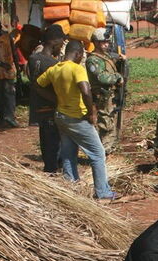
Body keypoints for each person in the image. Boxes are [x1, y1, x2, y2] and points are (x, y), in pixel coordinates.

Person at [35, 40, 116, 199]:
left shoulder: (54, 69)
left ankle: (71, 188)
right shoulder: (77, 69)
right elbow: (86, 91)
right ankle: (103, 192)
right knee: (97, 153)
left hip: (61, 116)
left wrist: (54, 99)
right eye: (82, 55)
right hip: (77, 118)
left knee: (68, 152)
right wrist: (91, 112)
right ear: (78, 54)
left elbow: (37, 85)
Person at [28, 25, 65, 174]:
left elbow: (33, 82)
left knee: (45, 141)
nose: (61, 48)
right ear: (55, 43)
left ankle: (49, 168)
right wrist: (59, 101)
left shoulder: (33, 59)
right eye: (61, 44)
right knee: (54, 144)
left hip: (38, 109)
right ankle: (52, 171)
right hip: (51, 109)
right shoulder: (53, 65)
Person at [86, 28, 124, 151]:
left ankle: (109, 147)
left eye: (107, 42)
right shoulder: (92, 60)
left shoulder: (105, 56)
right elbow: (102, 78)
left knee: (111, 120)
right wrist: (117, 77)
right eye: (103, 42)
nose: (106, 44)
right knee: (105, 123)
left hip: (111, 95)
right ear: (96, 43)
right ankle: (104, 149)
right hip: (101, 97)